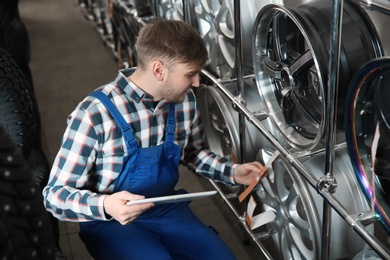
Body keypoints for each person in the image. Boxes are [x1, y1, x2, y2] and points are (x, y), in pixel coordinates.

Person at [42, 18, 263, 260]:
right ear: (159, 70)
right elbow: (54, 196)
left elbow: (192, 152)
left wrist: (232, 172)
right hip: (111, 221)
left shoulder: (184, 100)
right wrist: (105, 206)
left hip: (164, 209)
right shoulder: (94, 114)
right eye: (190, 74)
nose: (197, 82)